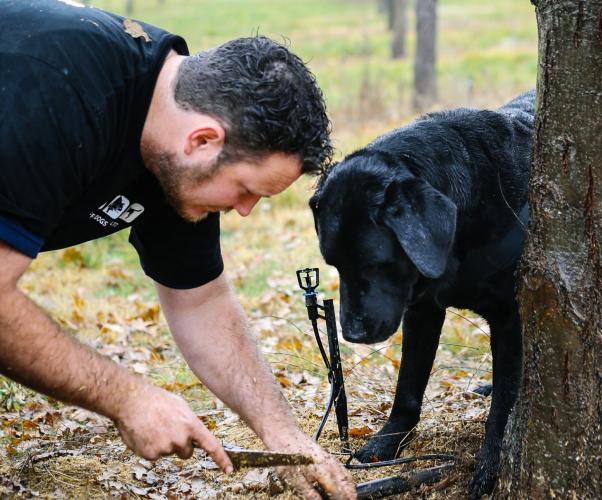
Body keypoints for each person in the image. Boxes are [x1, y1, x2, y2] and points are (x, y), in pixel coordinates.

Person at [0, 0, 355, 498]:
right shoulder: (61, 93)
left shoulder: (172, 144)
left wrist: (285, 437)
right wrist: (126, 397)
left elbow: (201, 300)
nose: (247, 210)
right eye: (247, 189)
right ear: (203, 140)